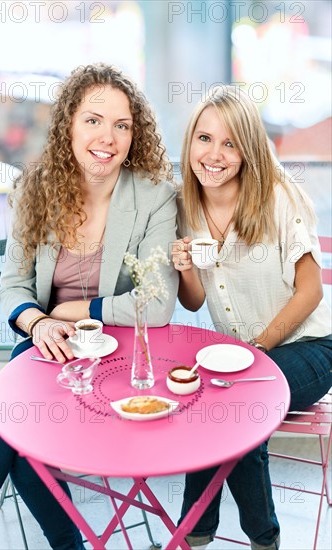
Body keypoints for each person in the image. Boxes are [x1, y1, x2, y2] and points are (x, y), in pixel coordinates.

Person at [0, 63, 178, 549]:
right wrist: (38, 321)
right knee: (14, 424)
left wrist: (72, 310)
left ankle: (70, 543)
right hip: (47, 352)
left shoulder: (154, 198)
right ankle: (72, 544)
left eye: (122, 125)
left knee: (7, 419)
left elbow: (158, 305)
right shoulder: (32, 190)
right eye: (94, 120)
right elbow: (13, 287)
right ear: (69, 124)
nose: (108, 136)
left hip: (119, 357)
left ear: (134, 135)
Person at [172, 84, 332, 550]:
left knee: (234, 404)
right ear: (190, 144)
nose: (214, 154)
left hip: (310, 350)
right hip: (240, 363)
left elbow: (311, 289)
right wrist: (185, 268)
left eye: (229, 142)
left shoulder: (278, 196)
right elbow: (195, 301)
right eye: (204, 139)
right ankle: (218, 535)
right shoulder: (188, 206)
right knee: (219, 402)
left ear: (246, 150)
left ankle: (212, 536)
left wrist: (258, 349)